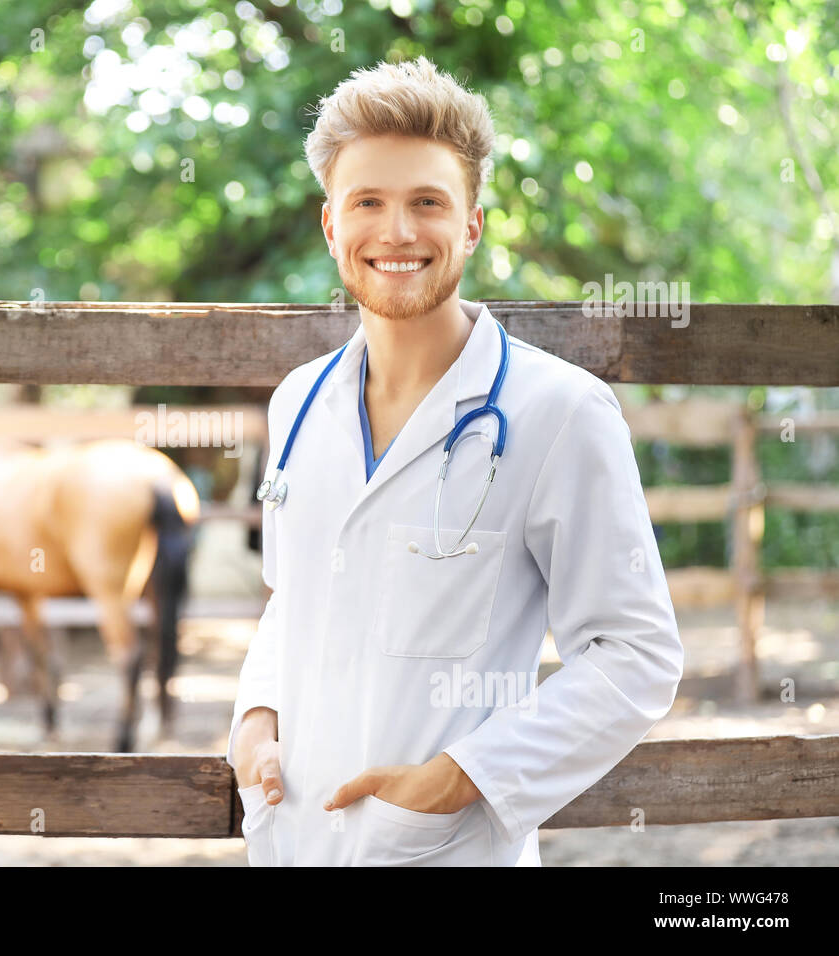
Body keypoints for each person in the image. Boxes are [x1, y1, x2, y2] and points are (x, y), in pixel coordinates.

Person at [227, 56, 684, 866]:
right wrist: (256, 716)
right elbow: (292, 597)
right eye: (367, 202)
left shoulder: (560, 413)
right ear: (331, 225)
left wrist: (465, 776)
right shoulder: (297, 404)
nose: (397, 233)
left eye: (427, 203)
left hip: (439, 849)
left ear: (472, 224)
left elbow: (637, 656)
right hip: (291, 837)